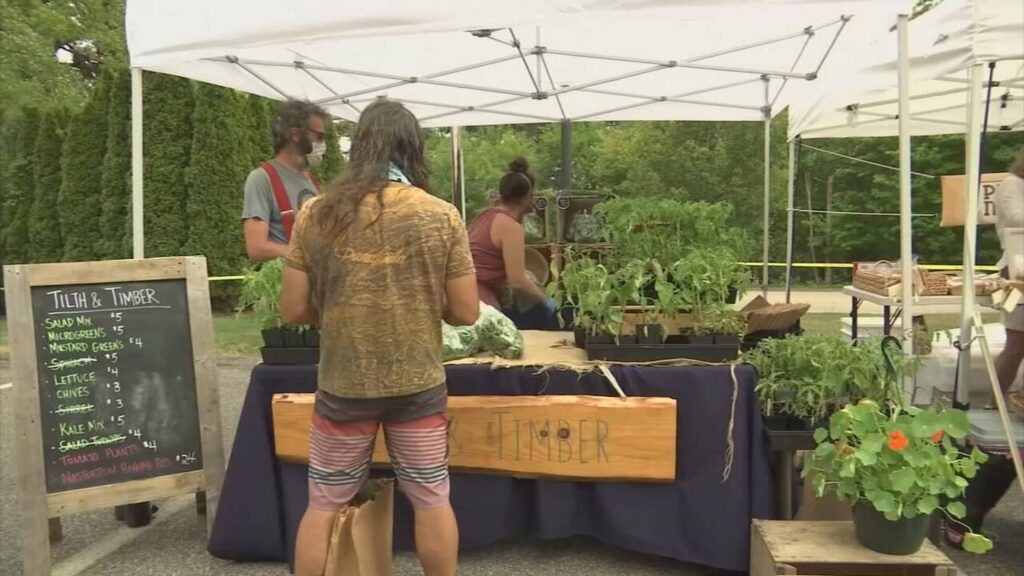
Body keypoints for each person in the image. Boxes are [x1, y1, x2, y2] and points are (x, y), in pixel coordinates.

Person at [280, 99, 478, 576]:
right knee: (431, 499)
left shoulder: (317, 213)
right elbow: (468, 312)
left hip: (344, 385)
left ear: (359, 147)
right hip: (418, 386)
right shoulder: (440, 215)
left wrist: (333, 312)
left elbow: (292, 309)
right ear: (413, 148)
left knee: (324, 502)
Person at [467, 157, 556, 326]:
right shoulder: (510, 227)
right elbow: (517, 280)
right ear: (527, 196)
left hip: (465, 293)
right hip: (480, 302)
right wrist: (547, 301)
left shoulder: (485, 216)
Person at [242, 99, 329, 262]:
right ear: (295, 134)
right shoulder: (262, 178)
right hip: (282, 282)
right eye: (319, 136)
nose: (322, 143)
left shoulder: (312, 180)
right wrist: (306, 255)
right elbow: (256, 248)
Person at [994, 148, 1024, 396]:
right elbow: (1016, 219)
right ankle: (995, 401)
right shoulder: (1011, 184)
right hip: (1017, 271)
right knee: (1017, 342)